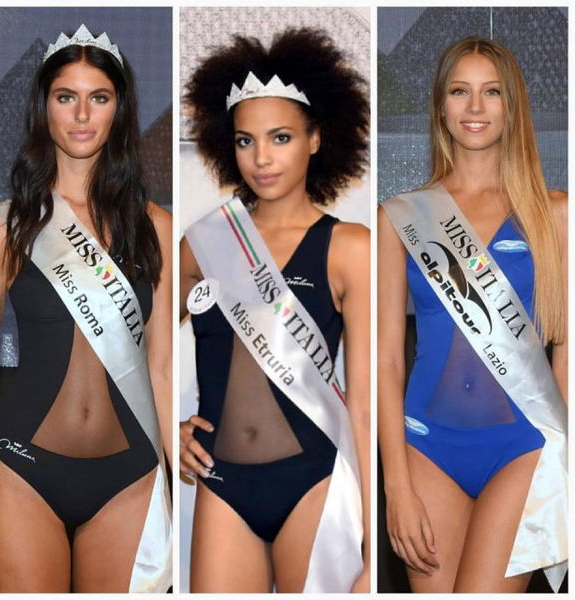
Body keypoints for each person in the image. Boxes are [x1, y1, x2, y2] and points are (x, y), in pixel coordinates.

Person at [0, 25, 172, 592]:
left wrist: (178, 493)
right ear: (45, 107)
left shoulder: (156, 227)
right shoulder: (1, 228)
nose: (82, 115)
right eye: (67, 97)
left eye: (99, 98)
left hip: (130, 479)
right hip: (20, 471)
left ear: (120, 109)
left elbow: (162, 370)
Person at [179, 28, 370, 592]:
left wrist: (371, 529)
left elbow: (364, 404)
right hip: (221, 482)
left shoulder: (349, 247)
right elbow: (139, 345)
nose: (261, 158)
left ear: (315, 139)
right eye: (245, 141)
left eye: (280, 137)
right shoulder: (204, 243)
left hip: (315, 481)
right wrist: (170, 425)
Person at [378, 37, 567, 593]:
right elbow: (386, 360)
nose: (476, 107)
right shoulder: (401, 217)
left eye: (492, 92)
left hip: (523, 449)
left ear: (513, 107)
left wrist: (565, 459)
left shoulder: (556, 214)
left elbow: (567, 353)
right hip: (425, 448)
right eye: (460, 91)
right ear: (441, 105)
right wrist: (395, 486)